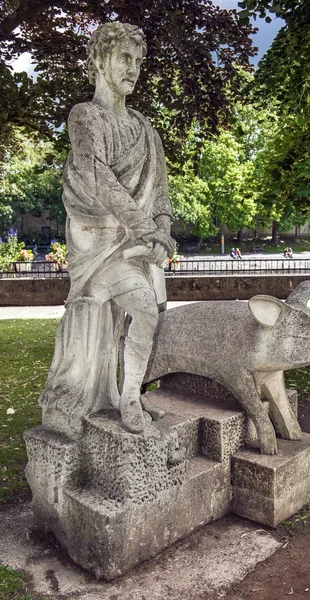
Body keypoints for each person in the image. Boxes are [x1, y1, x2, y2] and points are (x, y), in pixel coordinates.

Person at [40, 23, 174, 439]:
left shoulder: (146, 129)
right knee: (145, 309)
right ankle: (130, 400)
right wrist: (143, 228)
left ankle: (119, 394)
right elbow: (96, 175)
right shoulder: (85, 117)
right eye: (124, 58)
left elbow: (162, 193)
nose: (133, 69)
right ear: (99, 60)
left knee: (129, 321)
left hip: (136, 243)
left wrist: (162, 233)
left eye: (138, 61)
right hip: (98, 245)